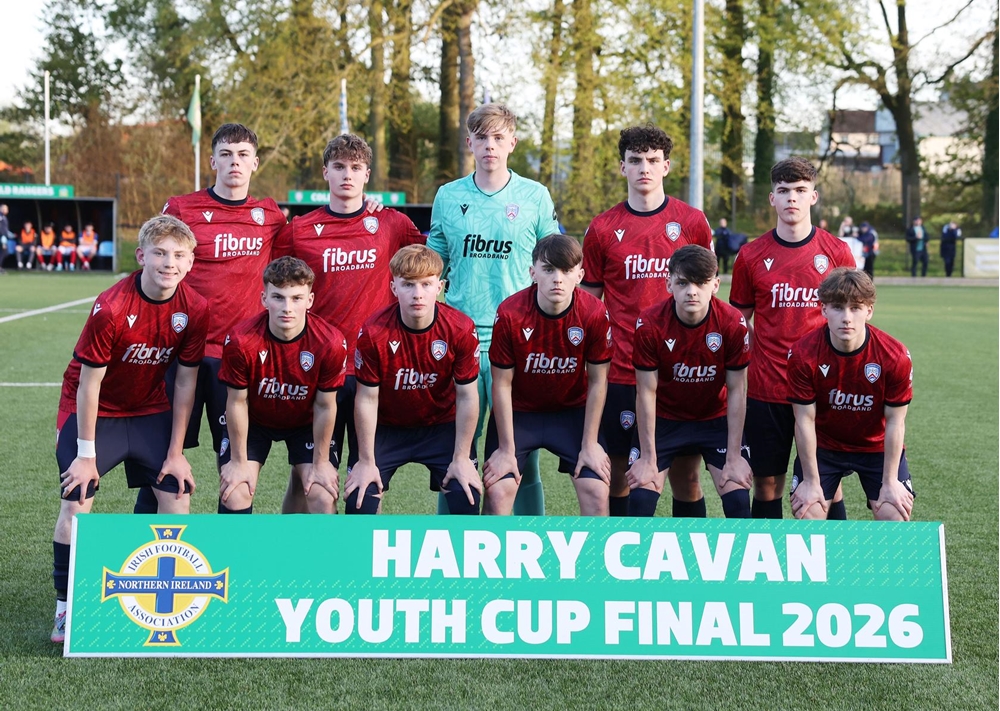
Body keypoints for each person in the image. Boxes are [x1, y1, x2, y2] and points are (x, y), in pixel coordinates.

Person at [49, 214, 208, 643]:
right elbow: (89, 384)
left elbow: (186, 382)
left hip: (148, 408)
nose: (169, 263)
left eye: (179, 255)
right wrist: (86, 455)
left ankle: (163, 596)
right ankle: (65, 607)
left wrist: (176, 452)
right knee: (77, 499)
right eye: (159, 253)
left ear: (191, 262)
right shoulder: (113, 307)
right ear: (141, 256)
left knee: (176, 493)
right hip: (96, 410)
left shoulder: (196, 308)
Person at [132, 123, 287, 515]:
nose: (235, 162)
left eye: (243, 155)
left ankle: (228, 553)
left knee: (235, 475)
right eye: (226, 154)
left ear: (255, 163)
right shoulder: (182, 209)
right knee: (160, 467)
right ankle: (147, 551)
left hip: (235, 359)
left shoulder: (270, 215)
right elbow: (153, 264)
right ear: (213, 160)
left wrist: (366, 205)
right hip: (179, 352)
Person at [274, 134, 423, 512]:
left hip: (373, 369)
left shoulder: (391, 223)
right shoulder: (299, 230)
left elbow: (428, 263)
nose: (347, 175)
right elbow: (273, 283)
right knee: (307, 478)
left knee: (366, 475)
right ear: (325, 172)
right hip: (317, 366)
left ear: (367, 174)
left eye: (356, 168)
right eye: (339, 167)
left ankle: (358, 548)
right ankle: (292, 544)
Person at [426, 103, 560, 516]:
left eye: (498, 138)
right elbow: (431, 263)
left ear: (512, 143)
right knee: (458, 452)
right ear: (469, 143)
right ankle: (453, 544)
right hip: (460, 341)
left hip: (518, 340)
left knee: (519, 455)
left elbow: (554, 260)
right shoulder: (448, 196)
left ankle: (527, 542)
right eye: (482, 138)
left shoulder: (535, 196)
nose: (490, 146)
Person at [581, 124, 714, 518]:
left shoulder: (691, 221)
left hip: (681, 371)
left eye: (653, 160)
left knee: (687, 476)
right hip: (623, 369)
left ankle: (686, 554)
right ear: (622, 167)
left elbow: (707, 294)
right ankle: (624, 554)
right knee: (621, 474)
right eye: (635, 160)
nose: (644, 168)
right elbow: (590, 305)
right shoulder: (602, 228)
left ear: (666, 166)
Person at [729, 157, 856, 519]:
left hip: (821, 388)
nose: (792, 198)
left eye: (800, 190)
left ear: (813, 197)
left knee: (828, 484)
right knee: (767, 484)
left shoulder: (837, 252)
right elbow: (738, 319)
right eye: (783, 191)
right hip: (767, 389)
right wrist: (761, 351)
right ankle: (765, 555)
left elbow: (850, 317)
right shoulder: (751, 255)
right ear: (772, 198)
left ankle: (834, 553)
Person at [483, 234, 612, 516]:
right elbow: (502, 384)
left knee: (597, 491)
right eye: (549, 269)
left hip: (571, 412)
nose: (558, 279)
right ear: (533, 273)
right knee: (497, 490)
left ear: (580, 276)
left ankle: (595, 550)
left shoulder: (593, 313)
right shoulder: (510, 313)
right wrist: (505, 449)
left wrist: (590, 443)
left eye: (566, 271)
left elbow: (598, 381)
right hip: (520, 413)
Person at [347, 245, 482, 515]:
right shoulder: (374, 332)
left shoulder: (461, 329)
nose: (417, 294)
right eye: (408, 284)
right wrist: (366, 460)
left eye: (426, 284)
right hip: (386, 428)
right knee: (360, 502)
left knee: (466, 497)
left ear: (440, 286)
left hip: (441, 426)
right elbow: (367, 399)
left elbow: (467, 396)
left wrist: (461, 457)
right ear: (394, 288)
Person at [627, 245, 752, 518]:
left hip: (715, 419)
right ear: (668, 283)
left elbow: (737, 390)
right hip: (665, 419)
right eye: (683, 283)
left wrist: (734, 457)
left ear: (715, 285)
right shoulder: (650, 323)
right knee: (640, 496)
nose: (692, 291)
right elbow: (646, 392)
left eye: (700, 283)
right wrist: (648, 457)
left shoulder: (732, 323)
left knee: (738, 497)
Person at [217, 257, 347, 514]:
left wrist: (321, 463)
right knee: (236, 492)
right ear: (264, 298)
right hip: (254, 422)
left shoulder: (329, 343)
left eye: (297, 298)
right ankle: (233, 544)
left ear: (310, 300)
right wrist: (238, 461)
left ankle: (298, 542)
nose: (287, 308)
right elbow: (237, 402)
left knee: (321, 495)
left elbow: (325, 405)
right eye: (278, 297)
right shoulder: (241, 340)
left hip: (305, 424)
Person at [788, 268, 914, 521]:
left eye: (855, 308)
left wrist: (890, 481)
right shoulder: (803, 354)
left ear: (869, 311)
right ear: (824, 309)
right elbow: (804, 420)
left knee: (894, 514)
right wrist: (811, 481)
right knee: (808, 514)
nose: (846, 318)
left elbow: (896, 422)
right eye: (837, 307)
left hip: (876, 447)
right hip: (825, 447)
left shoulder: (894, 356)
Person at [0, 204, 10, 273]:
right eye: (6, 209)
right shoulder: (0, 217)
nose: (7, 210)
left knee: (5, 252)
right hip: (1, 237)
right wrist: (3, 239)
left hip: (4, 237)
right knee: (3, 252)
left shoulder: (3, 217)